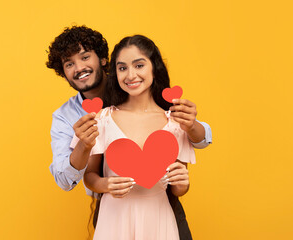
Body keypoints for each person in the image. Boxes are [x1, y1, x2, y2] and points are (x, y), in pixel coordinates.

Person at [46, 26, 212, 239]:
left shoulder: (171, 117)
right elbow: (68, 179)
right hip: (114, 209)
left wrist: (191, 129)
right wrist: (84, 147)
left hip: (161, 208)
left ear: (104, 61)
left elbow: (198, 140)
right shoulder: (88, 117)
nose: (79, 67)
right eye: (69, 64)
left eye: (85, 57)